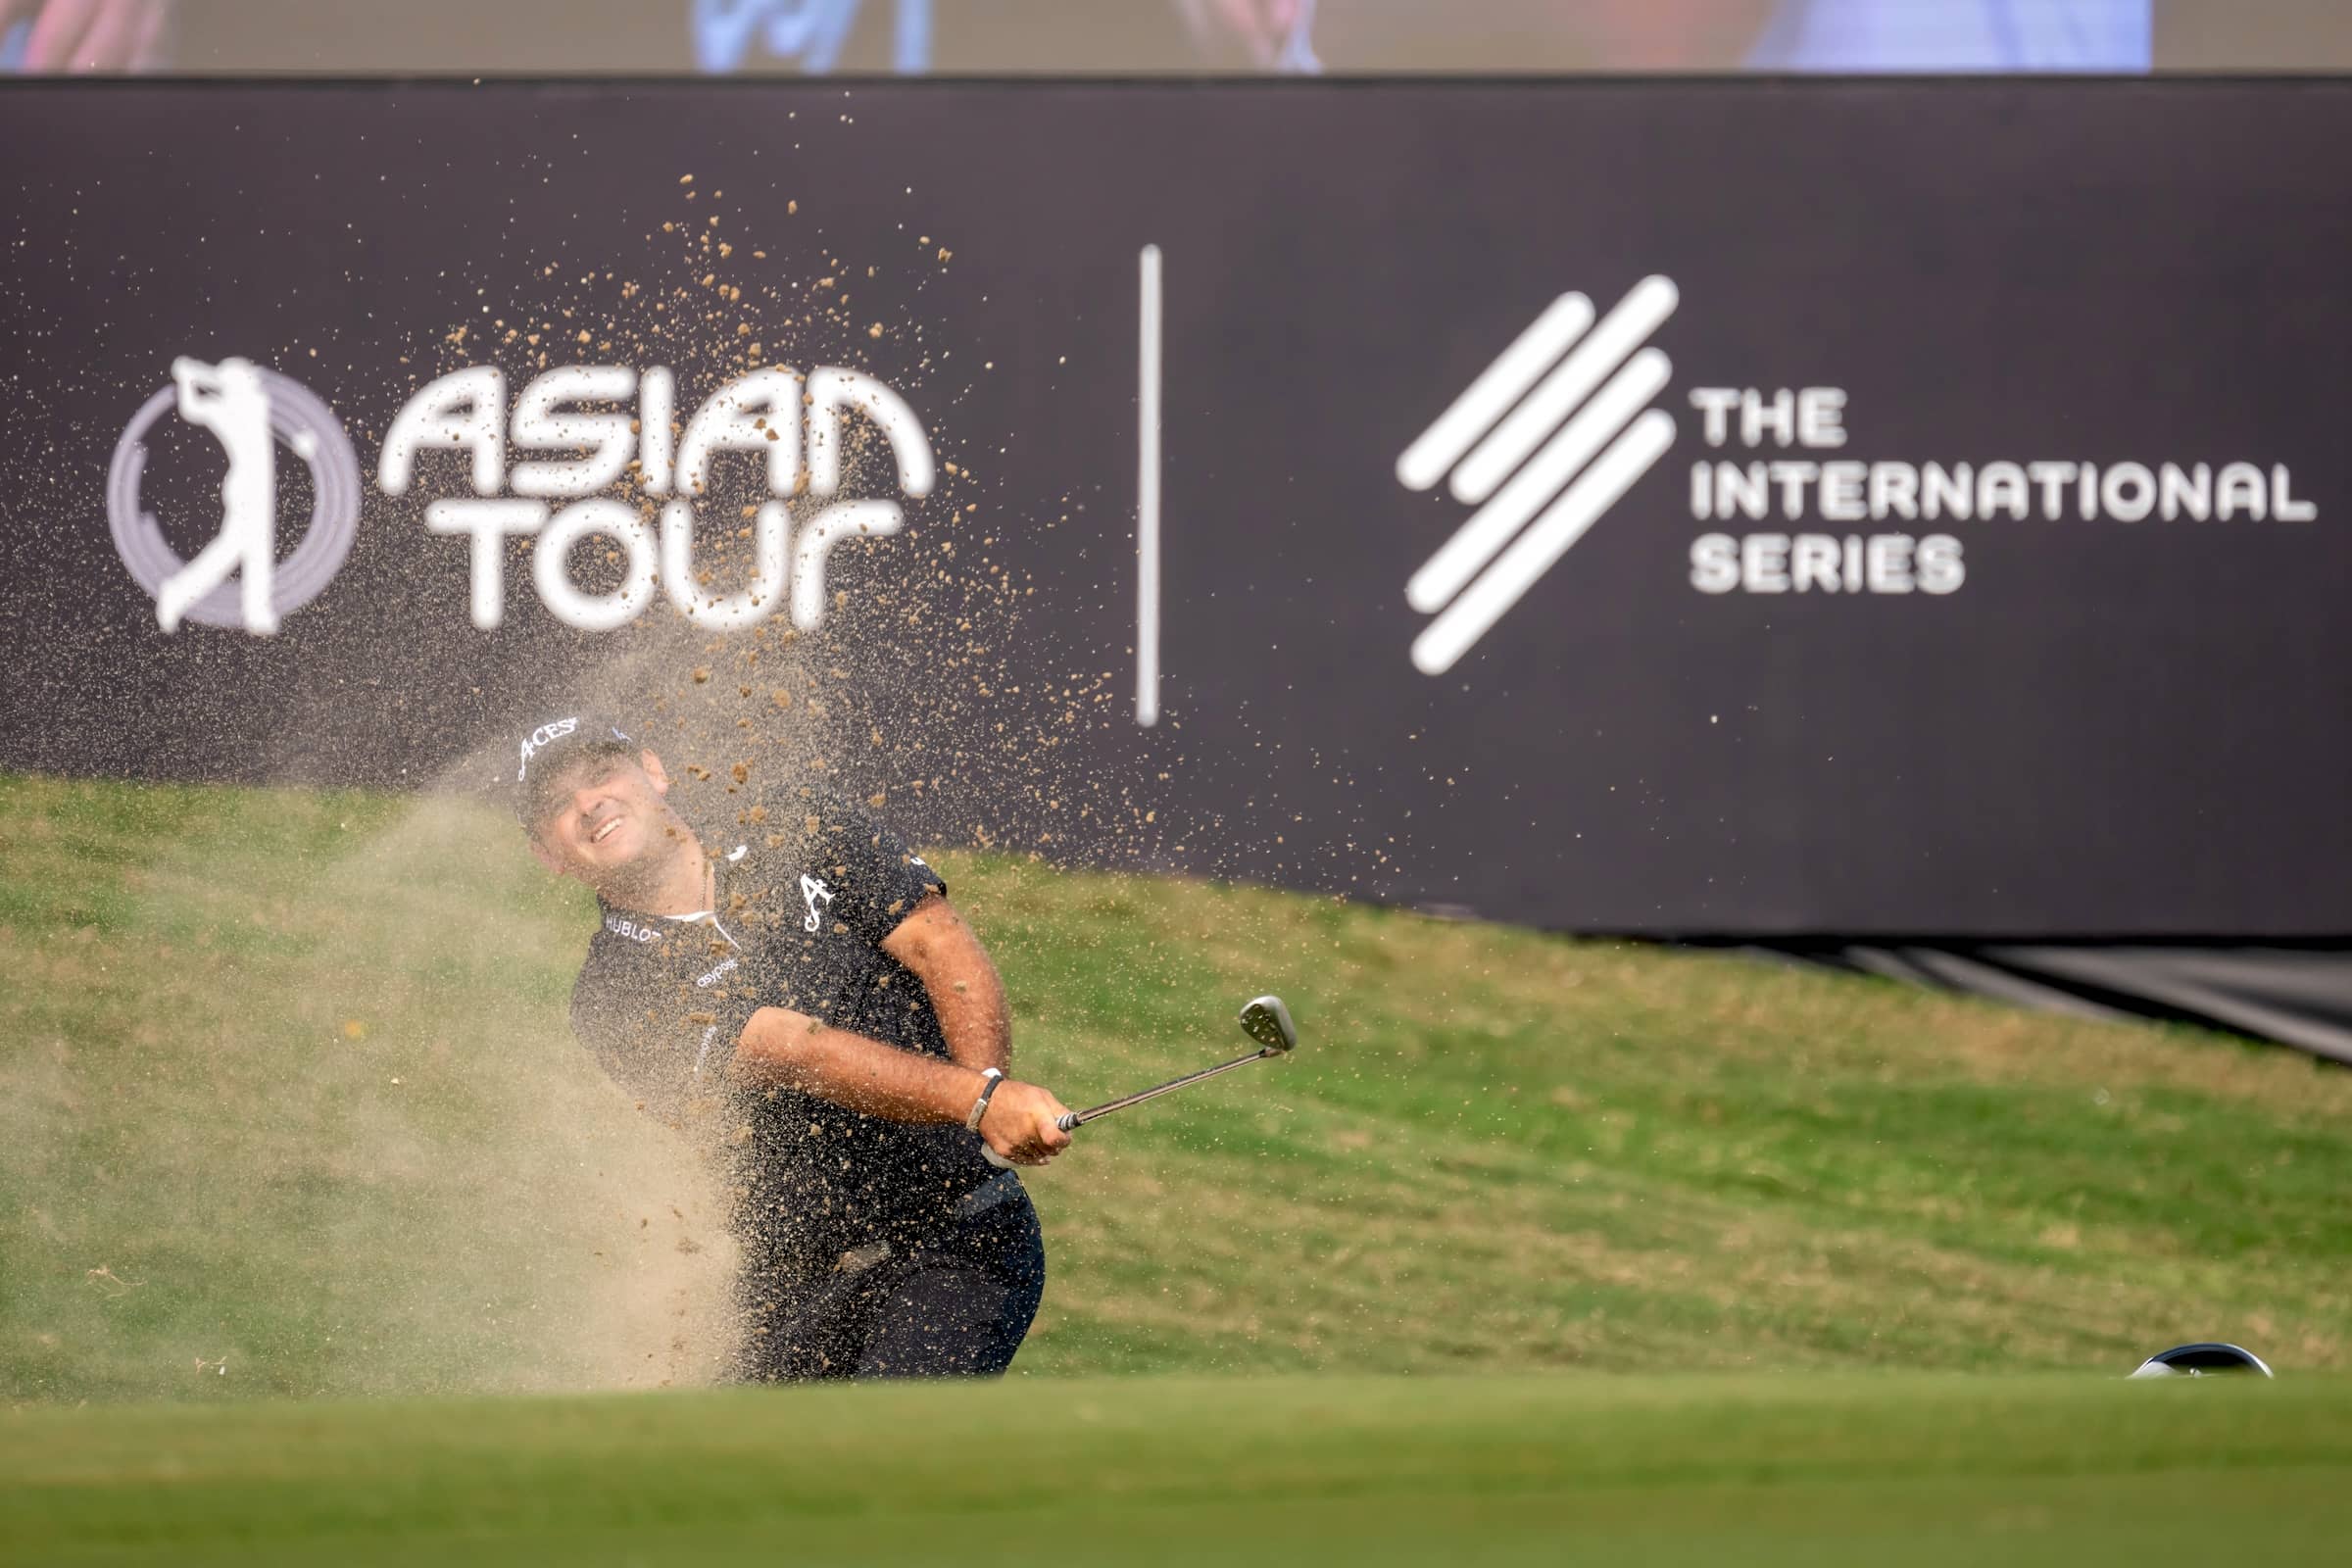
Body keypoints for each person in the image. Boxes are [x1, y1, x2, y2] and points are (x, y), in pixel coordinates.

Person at [511, 713, 1073, 1381]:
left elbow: (935, 940)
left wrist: (988, 1087)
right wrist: (980, 1100)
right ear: (549, 856)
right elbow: (787, 1049)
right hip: (792, 1289)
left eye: (601, 774)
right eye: (557, 804)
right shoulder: (610, 994)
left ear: (653, 772)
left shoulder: (793, 822)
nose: (588, 802)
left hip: (955, 1240)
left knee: (877, 1455)